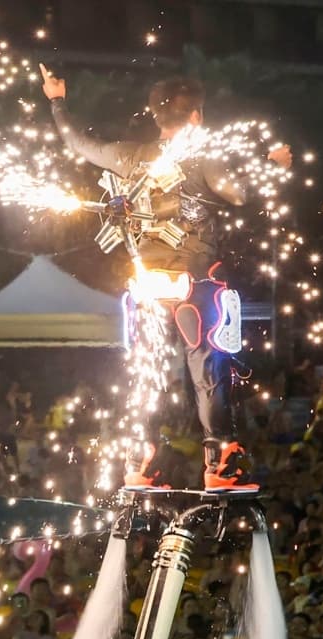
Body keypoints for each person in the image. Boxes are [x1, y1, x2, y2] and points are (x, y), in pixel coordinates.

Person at [42, 67, 290, 492]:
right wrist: (272, 166)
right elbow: (239, 194)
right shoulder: (203, 156)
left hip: (146, 284)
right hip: (195, 281)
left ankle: (141, 460)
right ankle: (219, 462)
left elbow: (79, 144)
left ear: (157, 118)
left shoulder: (131, 156)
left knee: (148, 371)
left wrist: (58, 101)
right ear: (195, 116)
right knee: (207, 367)